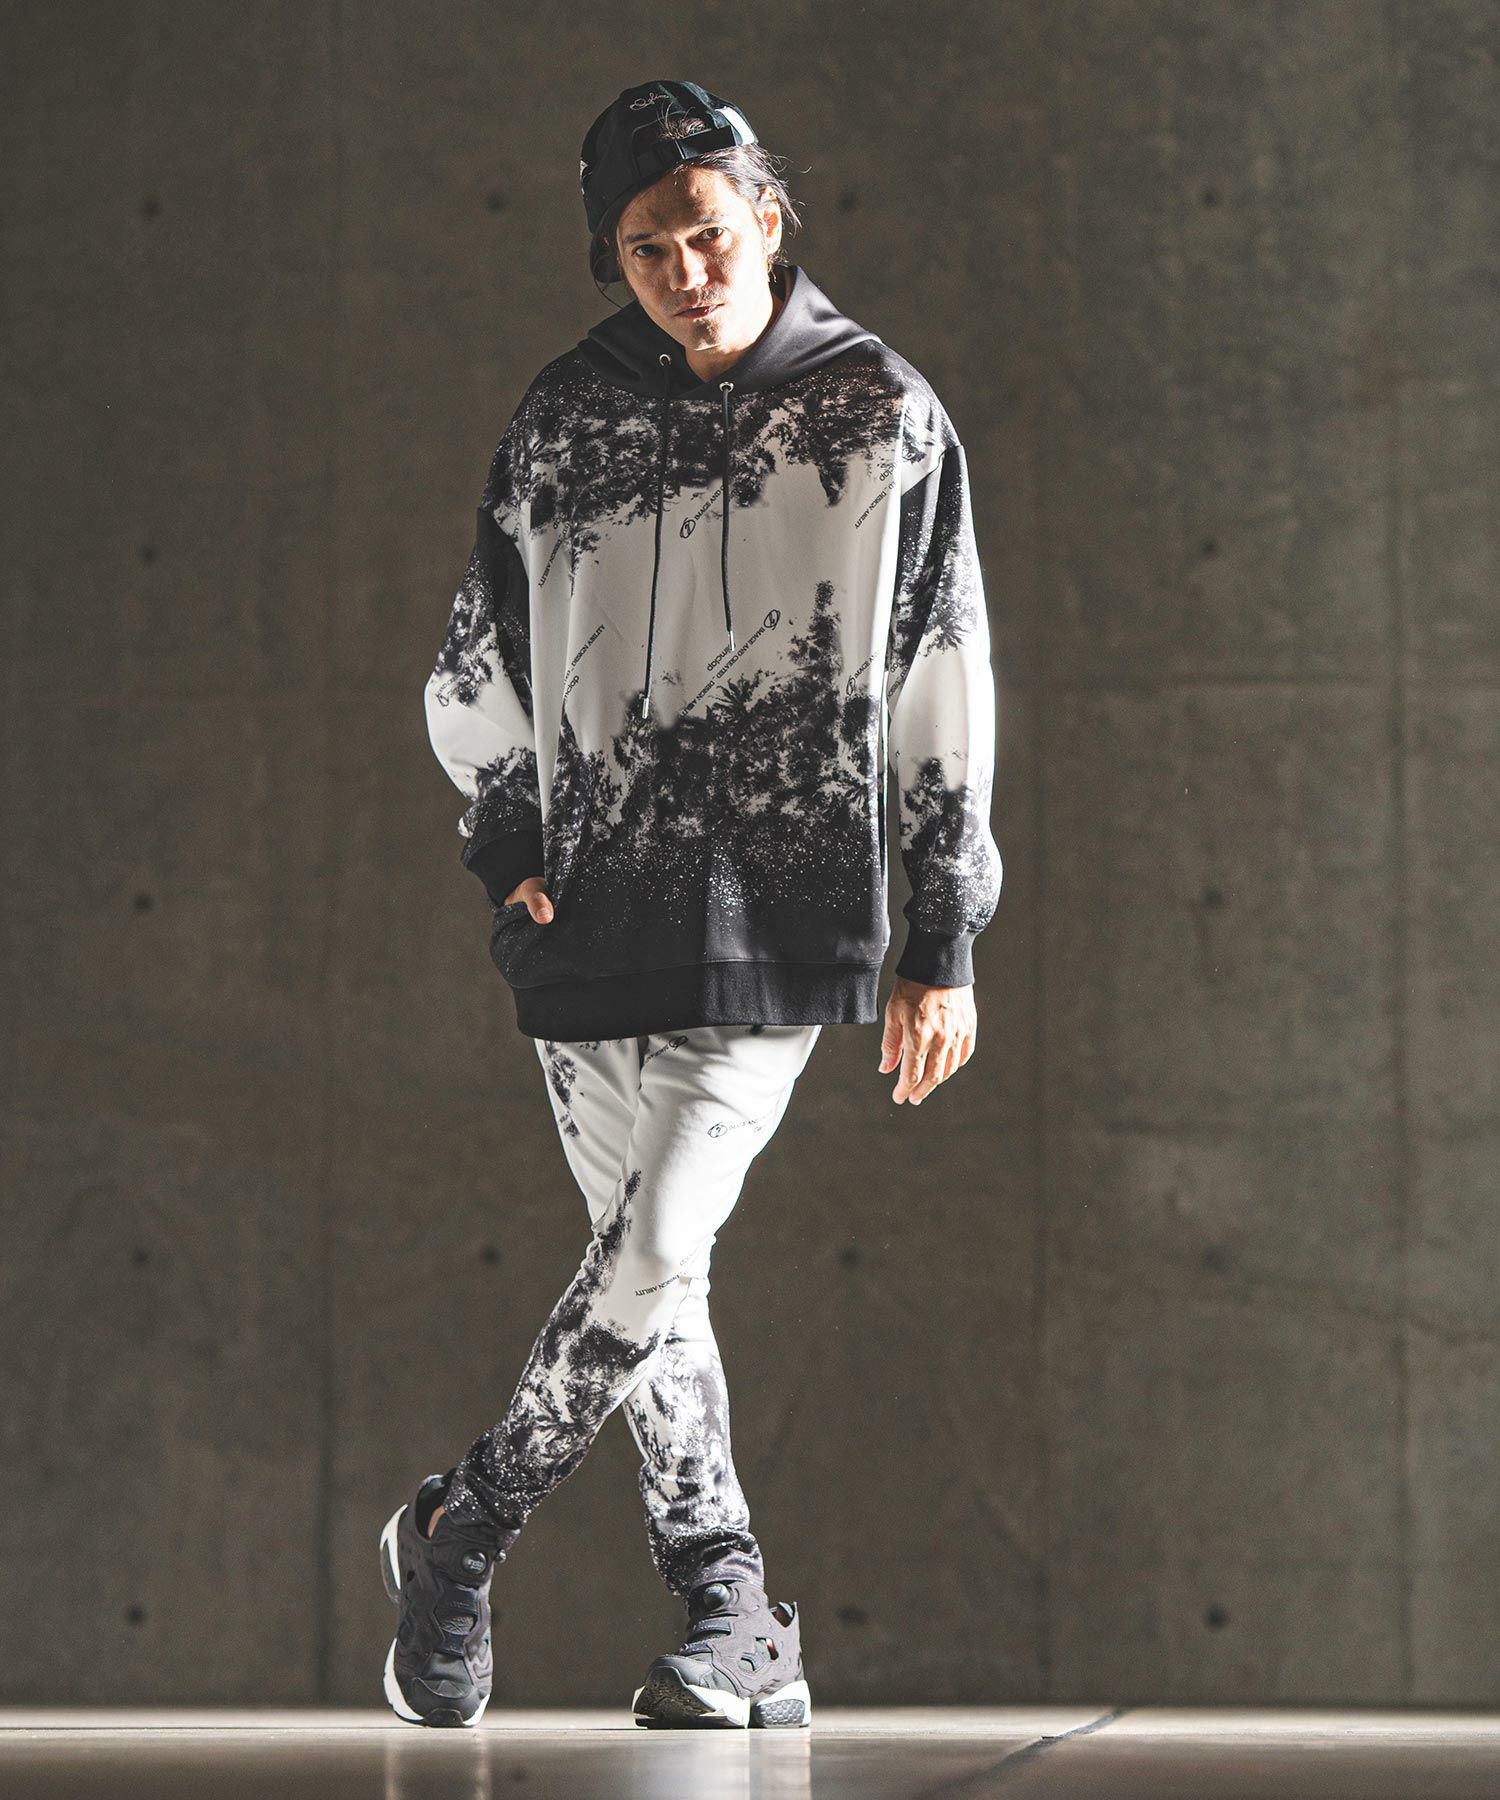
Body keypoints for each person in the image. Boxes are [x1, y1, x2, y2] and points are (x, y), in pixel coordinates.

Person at [380, 78, 1003, 1731]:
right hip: (583, 911)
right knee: (656, 1280)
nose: (685, 270)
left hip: (784, 910)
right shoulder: (566, 415)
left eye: (709, 233)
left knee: (656, 1243)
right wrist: (504, 839)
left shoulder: (881, 413)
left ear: (768, 221)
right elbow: (479, 657)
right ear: (617, 258)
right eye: (647, 248)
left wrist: (943, 931)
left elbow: (942, 679)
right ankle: (735, 1613)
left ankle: (463, 1533)